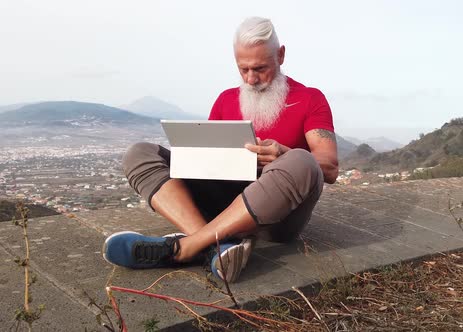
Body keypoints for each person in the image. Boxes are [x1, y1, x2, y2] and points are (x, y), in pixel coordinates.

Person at [102, 17, 338, 283]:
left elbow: (329, 168)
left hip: (276, 220)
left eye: (260, 68)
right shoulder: (226, 99)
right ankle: (216, 248)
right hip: (221, 204)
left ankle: (186, 247)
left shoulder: (310, 99)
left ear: (280, 55)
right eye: (243, 69)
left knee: (301, 161)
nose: (251, 79)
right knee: (140, 153)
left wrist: (283, 155)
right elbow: (206, 158)